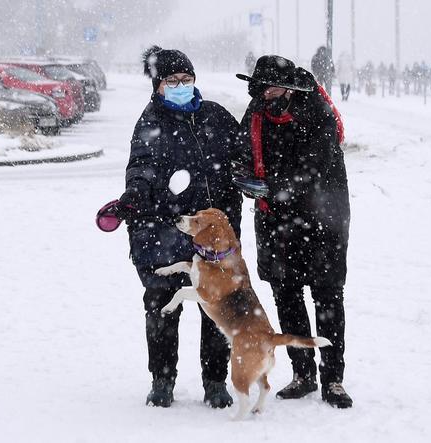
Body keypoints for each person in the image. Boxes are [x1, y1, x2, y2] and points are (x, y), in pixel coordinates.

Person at [114, 45, 242, 408]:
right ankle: (162, 380)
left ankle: (215, 381)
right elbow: (139, 166)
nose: (181, 85)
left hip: (213, 236)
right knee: (162, 305)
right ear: (158, 85)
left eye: (187, 79)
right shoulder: (150, 122)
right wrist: (134, 195)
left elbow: (242, 157)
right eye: (173, 80)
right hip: (163, 231)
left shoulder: (215, 116)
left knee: (216, 307)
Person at [234, 55, 352, 408]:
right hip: (275, 220)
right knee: (286, 294)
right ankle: (303, 374)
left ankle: (333, 379)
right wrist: (243, 174)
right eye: (260, 88)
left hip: (322, 218)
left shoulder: (316, 113)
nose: (265, 95)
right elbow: (241, 149)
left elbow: (315, 167)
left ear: (288, 87)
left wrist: (270, 186)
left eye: (270, 88)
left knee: (327, 298)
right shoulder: (258, 110)